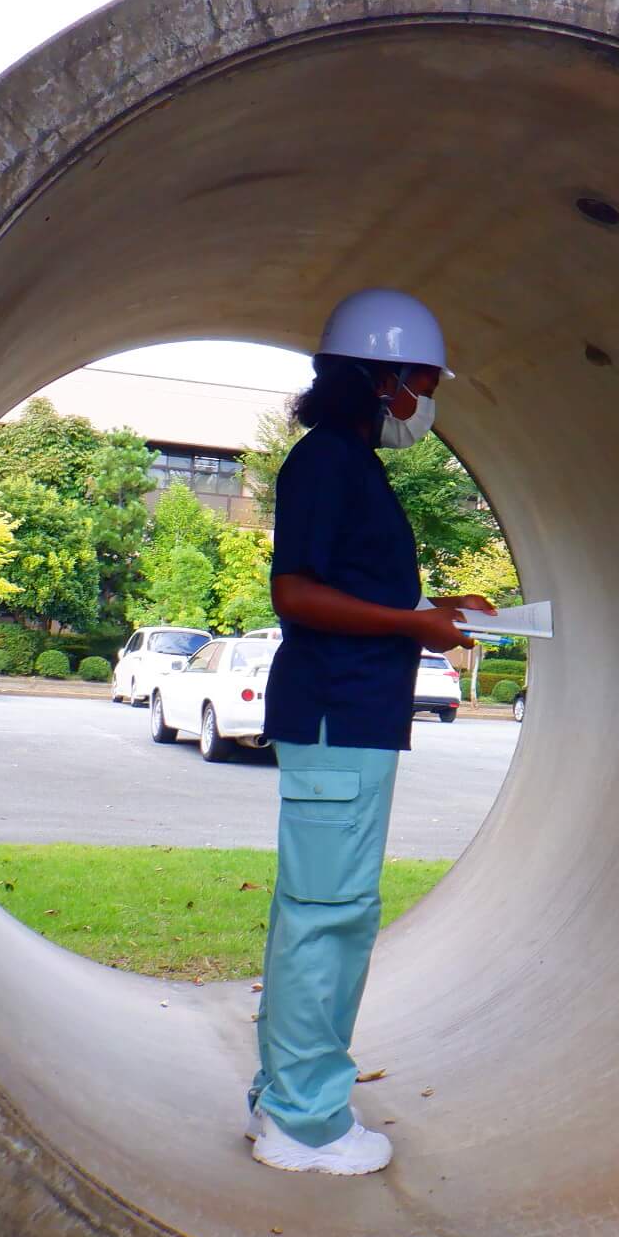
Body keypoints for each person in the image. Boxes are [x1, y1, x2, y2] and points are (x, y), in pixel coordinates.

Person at [245, 287, 495, 1176]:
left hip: (348, 716)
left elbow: (354, 588)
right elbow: (297, 595)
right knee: (330, 917)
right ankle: (303, 1124)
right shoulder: (328, 464)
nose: (427, 405)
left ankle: (284, 1095)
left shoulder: (351, 464)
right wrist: (410, 626)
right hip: (336, 716)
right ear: (382, 380)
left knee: (316, 913)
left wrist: (432, 608)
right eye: (423, 383)